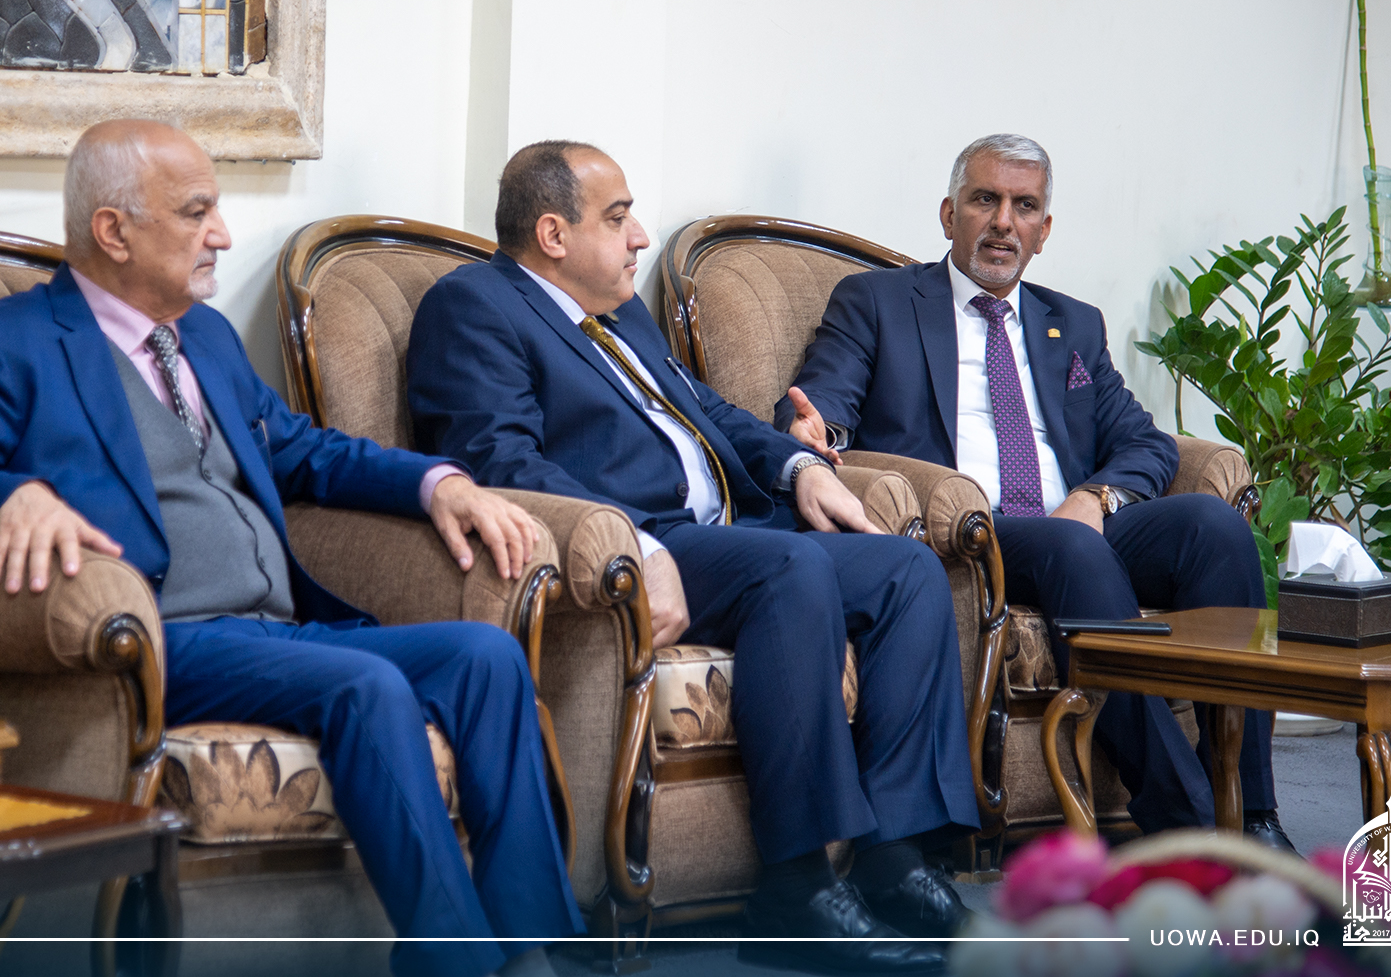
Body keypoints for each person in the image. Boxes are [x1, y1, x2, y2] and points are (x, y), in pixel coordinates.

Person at [0, 119, 583, 977]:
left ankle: (532, 953)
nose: (224, 235)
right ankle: (456, 964)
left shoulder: (204, 336)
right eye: (196, 212)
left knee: (485, 658)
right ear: (113, 231)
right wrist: (11, 492)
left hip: (279, 630)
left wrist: (439, 484)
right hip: (164, 637)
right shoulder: (3, 343)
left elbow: (305, 450)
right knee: (367, 686)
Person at [407, 141, 977, 976]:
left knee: (905, 569)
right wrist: (634, 542)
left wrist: (801, 468)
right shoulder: (473, 306)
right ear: (554, 234)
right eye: (618, 217)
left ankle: (894, 854)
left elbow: (708, 411)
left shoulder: (621, 312)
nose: (640, 235)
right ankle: (796, 890)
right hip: (640, 543)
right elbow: (500, 461)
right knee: (793, 570)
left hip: (730, 530)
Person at [775, 133, 1291, 848]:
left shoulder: (1071, 324)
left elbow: (1144, 443)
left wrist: (1097, 498)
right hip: (968, 532)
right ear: (949, 214)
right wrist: (815, 432)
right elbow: (824, 401)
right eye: (985, 200)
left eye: (1024, 207)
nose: (1002, 222)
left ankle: (1254, 812)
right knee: (1071, 549)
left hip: (1073, 524)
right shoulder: (878, 302)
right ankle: (1190, 825)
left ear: (1043, 231)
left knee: (1216, 528)